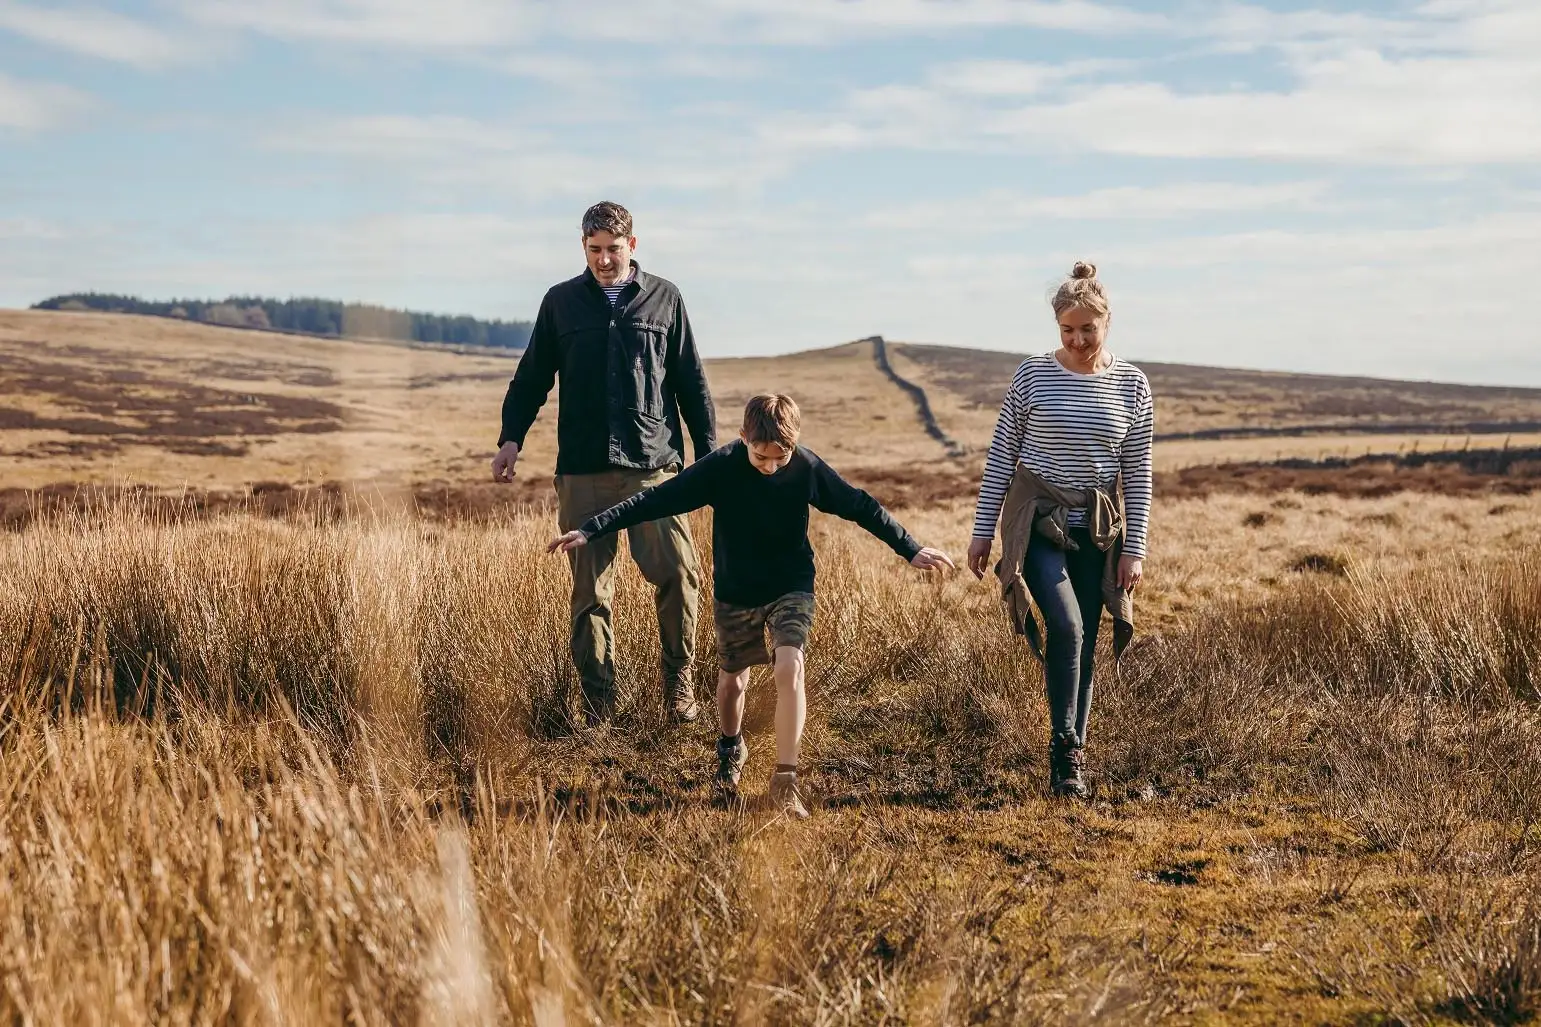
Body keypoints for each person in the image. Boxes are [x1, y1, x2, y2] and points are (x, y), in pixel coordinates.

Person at [548, 394, 956, 818]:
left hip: (791, 586)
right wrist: (592, 529)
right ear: (743, 438)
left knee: (789, 666)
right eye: (762, 457)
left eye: (782, 457)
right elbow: (655, 500)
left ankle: (785, 779)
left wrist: (910, 549)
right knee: (733, 685)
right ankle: (730, 747)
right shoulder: (721, 468)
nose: (771, 466)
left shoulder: (806, 468)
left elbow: (860, 506)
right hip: (736, 591)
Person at [493, 201, 717, 726]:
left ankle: (678, 689)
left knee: (680, 575)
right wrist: (510, 440)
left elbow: (690, 382)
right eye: (594, 250)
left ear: (632, 246)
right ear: (584, 248)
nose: (603, 260)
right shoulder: (561, 303)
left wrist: (709, 459)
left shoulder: (666, 299)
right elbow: (531, 378)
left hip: (652, 470)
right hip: (583, 470)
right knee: (590, 593)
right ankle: (598, 706)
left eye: (613, 249)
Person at [966, 262, 1154, 798]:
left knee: (1088, 640)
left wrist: (1133, 549)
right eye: (1067, 330)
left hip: (1098, 529)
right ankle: (1063, 745)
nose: (1077, 341)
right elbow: (1002, 454)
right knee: (1067, 628)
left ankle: (1073, 757)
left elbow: (1137, 474)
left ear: (1107, 323)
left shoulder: (1132, 385)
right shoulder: (1032, 376)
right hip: (1038, 524)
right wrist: (983, 532)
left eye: (1087, 330)